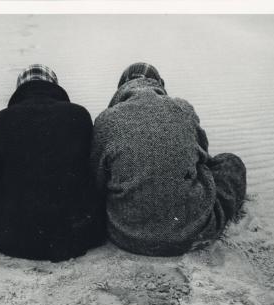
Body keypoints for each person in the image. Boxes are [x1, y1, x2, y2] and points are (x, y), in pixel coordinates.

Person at [0, 64, 105, 262]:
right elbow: (91, 172)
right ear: (54, 86)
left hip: (13, 238)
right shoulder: (79, 115)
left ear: (20, 89)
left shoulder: (0, 120)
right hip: (74, 237)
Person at [91, 62, 246, 256]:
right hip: (191, 233)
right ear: (159, 83)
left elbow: (97, 179)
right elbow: (203, 156)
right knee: (230, 162)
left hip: (125, 236)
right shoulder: (183, 108)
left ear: (121, 87)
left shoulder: (105, 120)